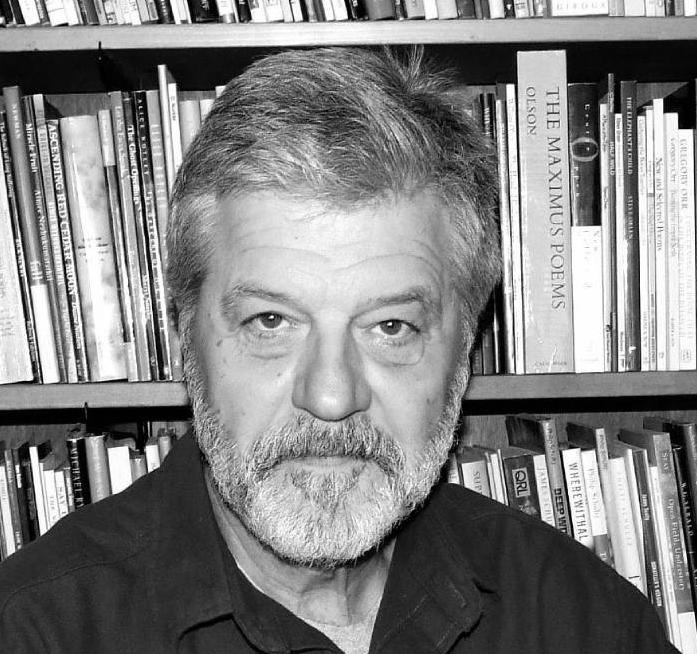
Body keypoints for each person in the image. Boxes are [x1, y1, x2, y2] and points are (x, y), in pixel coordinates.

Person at [0, 47, 678, 654]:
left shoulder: (586, 621)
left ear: (465, 350)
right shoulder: (35, 630)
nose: (330, 397)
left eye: (391, 327)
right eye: (271, 321)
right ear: (186, 338)